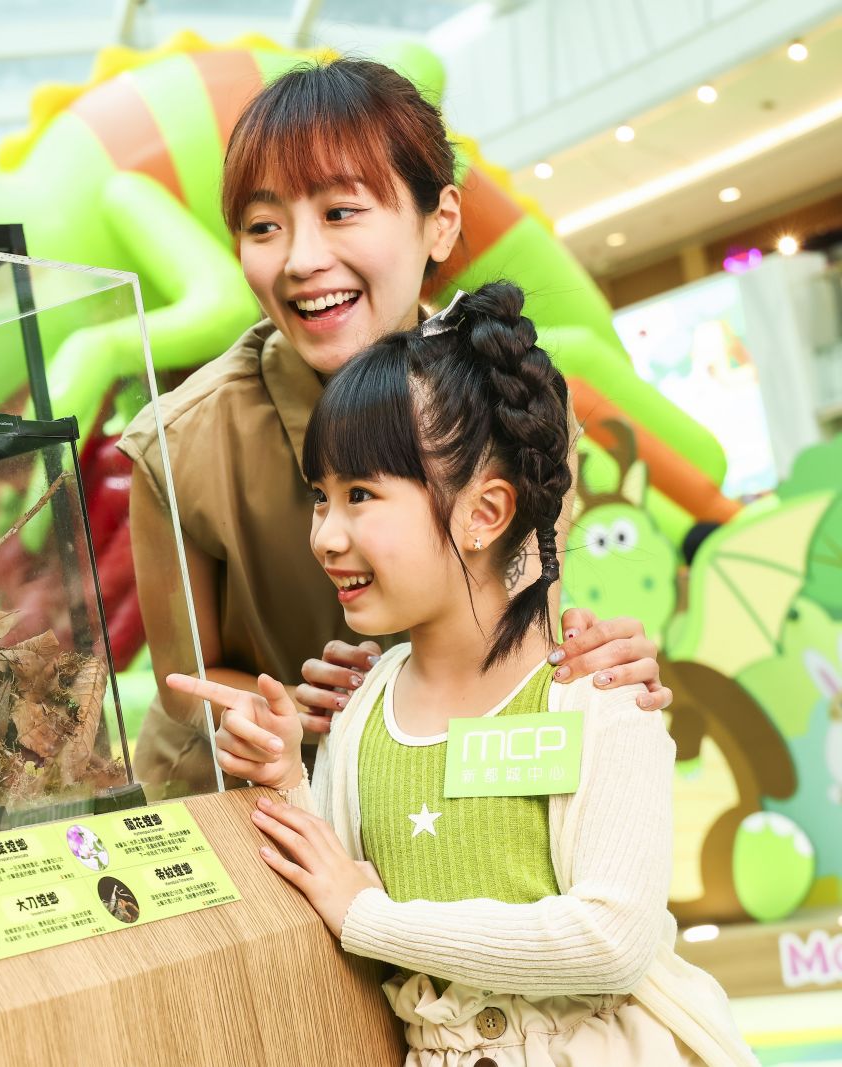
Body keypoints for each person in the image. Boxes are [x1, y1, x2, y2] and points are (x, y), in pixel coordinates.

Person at [169, 283, 754, 1067]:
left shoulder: (601, 695)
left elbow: (613, 940)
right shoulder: (361, 709)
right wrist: (284, 777)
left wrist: (371, 916)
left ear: (485, 513)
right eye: (319, 497)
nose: (327, 535)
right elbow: (336, 892)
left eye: (361, 494)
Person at [117, 58, 672, 797]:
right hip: (242, 809)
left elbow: (520, 625)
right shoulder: (177, 442)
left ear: (440, 222)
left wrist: (593, 666)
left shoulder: (518, 399)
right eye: (263, 226)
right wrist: (285, 708)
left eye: (341, 212)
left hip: (436, 801)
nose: (302, 260)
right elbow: (185, 678)